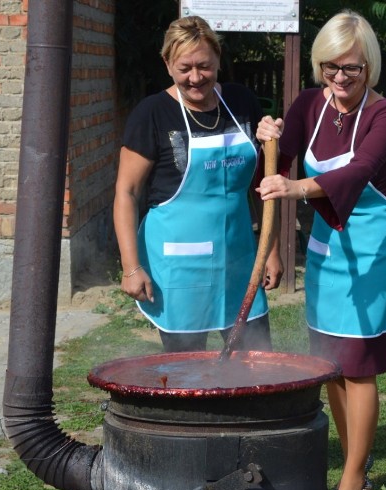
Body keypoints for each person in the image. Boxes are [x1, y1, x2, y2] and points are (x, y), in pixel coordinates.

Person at [255, 10, 386, 490]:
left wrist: (299, 188)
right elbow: (274, 169)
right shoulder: (308, 105)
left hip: (371, 254)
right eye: (330, 69)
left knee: (359, 368)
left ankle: (352, 480)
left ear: (369, 66)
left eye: (351, 70)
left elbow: (361, 169)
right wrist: (267, 141)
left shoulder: (385, 113)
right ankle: (353, 465)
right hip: (325, 252)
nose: (340, 80)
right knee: (330, 368)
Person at [113, 16, 282, 352]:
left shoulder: (241, 102)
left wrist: (272, 252)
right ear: (167, 64)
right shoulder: (153, 114)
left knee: (256, 363)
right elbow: (126, 192)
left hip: (238, 260)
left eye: (204, 66)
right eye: (184, 67)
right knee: (187, 371)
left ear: (218, 59)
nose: (195, 78)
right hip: (179, 268)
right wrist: (131, 267)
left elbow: (264, 188)